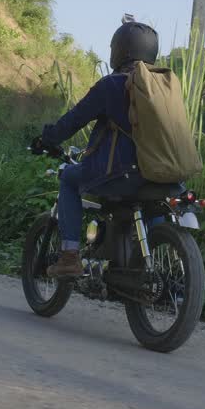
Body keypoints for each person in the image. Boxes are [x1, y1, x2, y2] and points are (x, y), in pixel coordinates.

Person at [33, 18, 159, 279]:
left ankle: (69, 257)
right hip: (163, 171)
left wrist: (48, 138)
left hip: (123, 171)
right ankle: (163, 262)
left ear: (121, 50)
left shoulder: (113, 85)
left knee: (68, 177)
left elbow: (74, 119)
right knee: (155, 203)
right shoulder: (166, 85)